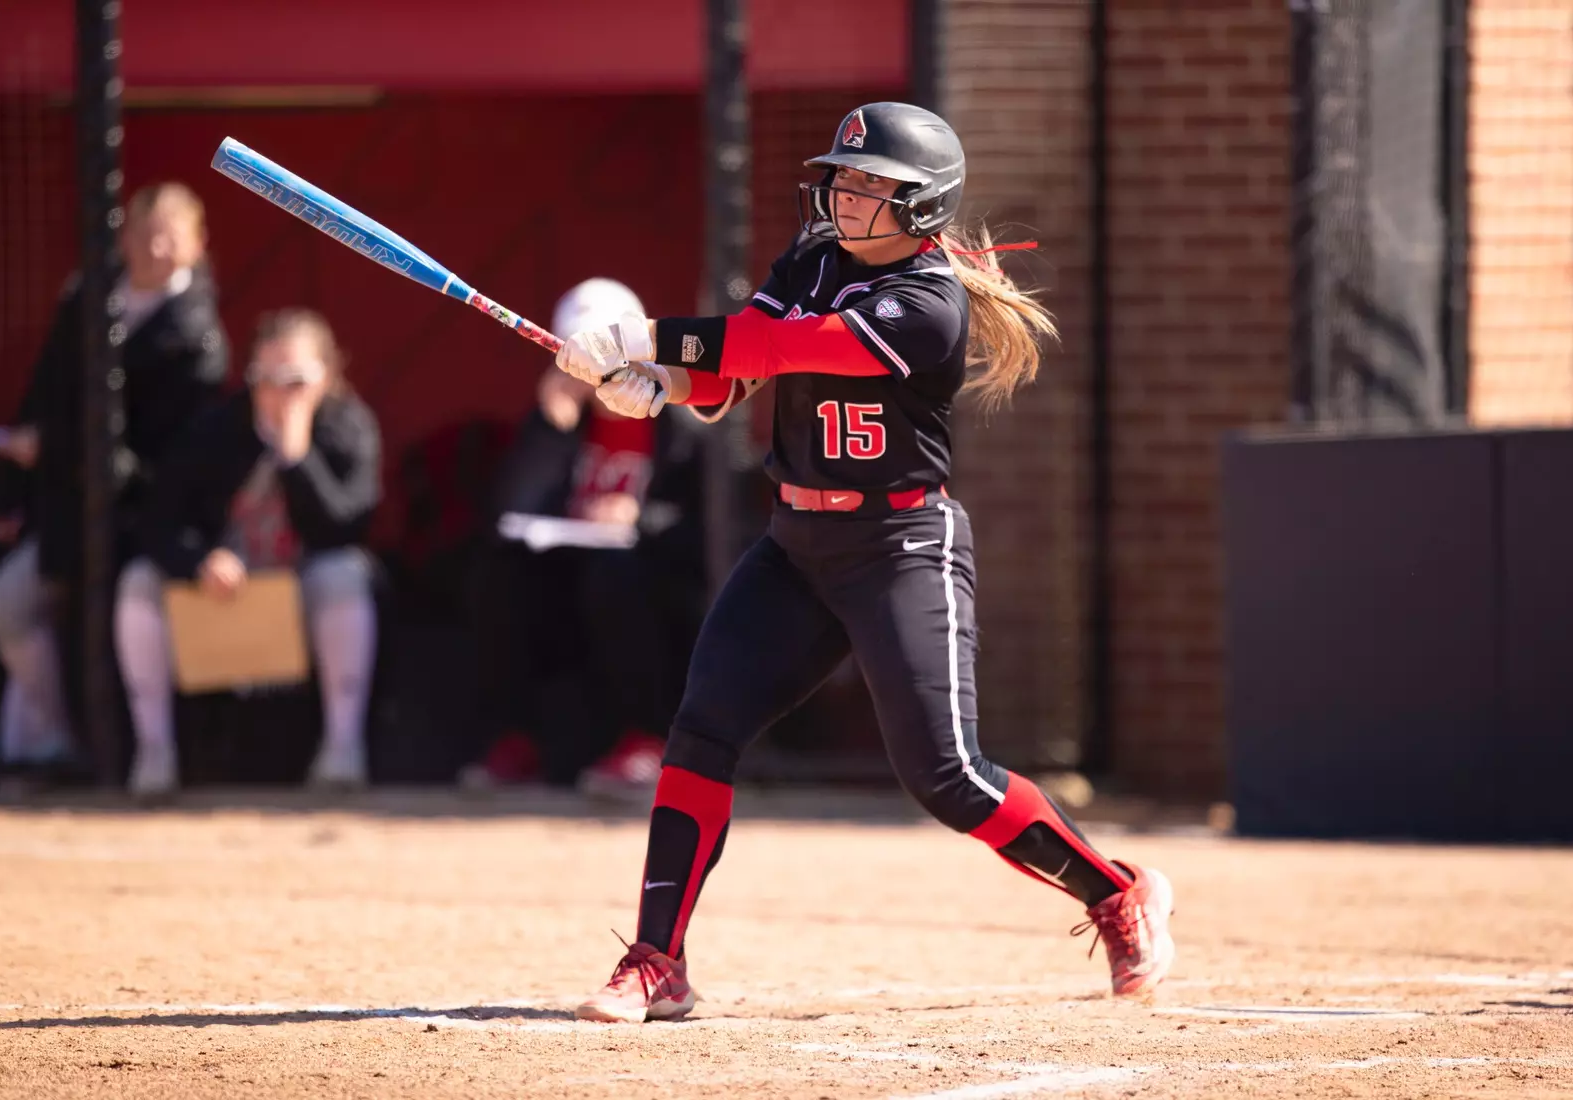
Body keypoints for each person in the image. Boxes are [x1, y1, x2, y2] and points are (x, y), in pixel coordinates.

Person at [551, 103, 1175, 1023]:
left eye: (875, 184)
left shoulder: (929, 303)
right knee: (702, 730)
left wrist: (652, 338)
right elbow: (734, 374)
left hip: (900, 548)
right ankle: (657, 961)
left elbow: (786, 346)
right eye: (845, 178)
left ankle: (1116, 892)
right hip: (797, 547)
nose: (849, 197)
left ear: (923, 206)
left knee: (948, 777)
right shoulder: (811, 259)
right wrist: (656, 388)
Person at [0, 182, 229, 784]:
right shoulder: (88, 297)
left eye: (170, 233)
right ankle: (54, 739)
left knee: (130, 611)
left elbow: (176, 459)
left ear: (197, 245)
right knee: (5, 605)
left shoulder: (198, 338)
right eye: (143, 231)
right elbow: (47, 391)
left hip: (143, 522)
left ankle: (144, 757)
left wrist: (93, 464)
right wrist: (32, 444)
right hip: (67, 505)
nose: (155, 246)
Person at [113, 309, 381, 797]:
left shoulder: (347, 426)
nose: (281, 393)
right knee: (139, 582)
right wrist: (199, 561)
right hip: (222, 590)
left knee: (344, 575)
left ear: (328, 375)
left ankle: (343, 748)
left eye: (297, 380)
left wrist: (297, 455)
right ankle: (154, 752)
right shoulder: (216, 427)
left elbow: (347, 527)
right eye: (268, 379)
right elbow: (157, 521)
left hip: (301, 589)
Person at [463, 278, 711, 797]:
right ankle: (519, 741)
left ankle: (646, 739)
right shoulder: (562, 420)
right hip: (566, 577)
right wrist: (551, 426)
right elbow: (508, 512)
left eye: (607, 352)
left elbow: (702, 528)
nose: (597, 369)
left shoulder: (677, 423)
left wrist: (637, 518)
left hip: (646, 582)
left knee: (615, 577)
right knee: (502, 572)